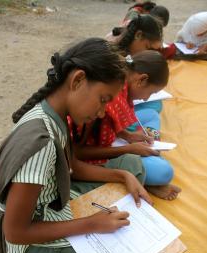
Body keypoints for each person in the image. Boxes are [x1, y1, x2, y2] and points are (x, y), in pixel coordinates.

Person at [0, 38, 170, 253]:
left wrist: (123, 176)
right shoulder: (40, 143)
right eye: (102, 100)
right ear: (77, 80)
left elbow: (70, 167)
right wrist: (92, 224)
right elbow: (15, 232)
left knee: (131, 166)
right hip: (33, 246)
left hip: (53, 201)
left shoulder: (52, 114)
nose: (101, 113)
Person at [71, 50, 181, 201]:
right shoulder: (98, 103)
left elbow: (108, 122)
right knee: (163, 172)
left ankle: (149, 154)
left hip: (110, 144)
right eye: (151, 92)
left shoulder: (112, 92)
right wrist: (128, 149)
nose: (146, 99)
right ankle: (146, 173)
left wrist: (127, 135)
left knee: (152, 114)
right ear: (142, 80)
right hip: (94, 157)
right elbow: (76, 154)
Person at [107, 14, 163, 113]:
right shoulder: (112, 58)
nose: (149, 54)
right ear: (138, 35)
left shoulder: (128, 54)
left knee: (157, 104)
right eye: (149, 48)